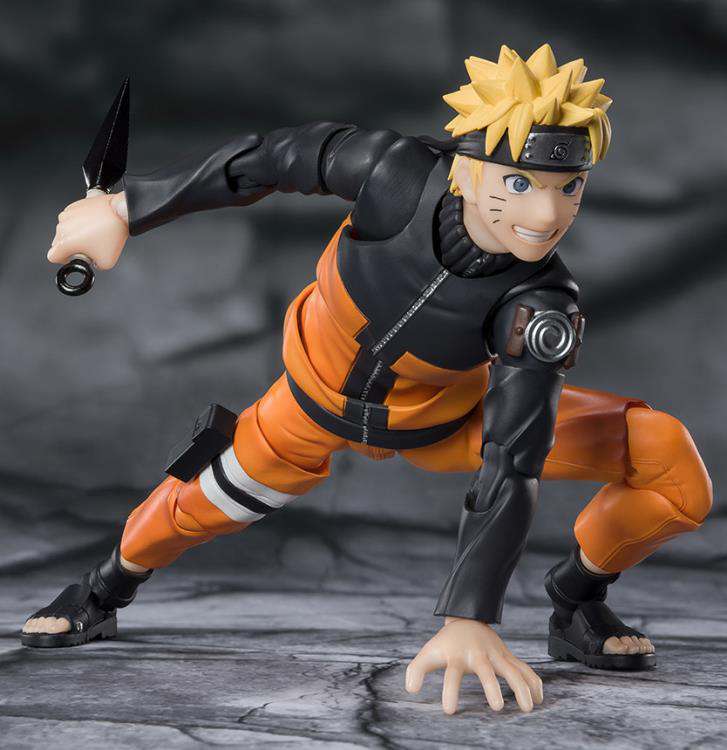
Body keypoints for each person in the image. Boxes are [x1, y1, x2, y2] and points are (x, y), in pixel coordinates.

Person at [24, 43, 712, 715]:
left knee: (669, 461)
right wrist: (127, 207)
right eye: (519, 183)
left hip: (444, 424)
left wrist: (469, 616)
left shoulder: (540, 303)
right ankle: (102, 589)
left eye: (569, 187)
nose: (547, 215)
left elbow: (512, 454)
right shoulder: (393, 174)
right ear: (466, 169)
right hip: (307, 406)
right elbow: (271, 159)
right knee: (192, 506)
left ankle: (577, 598)